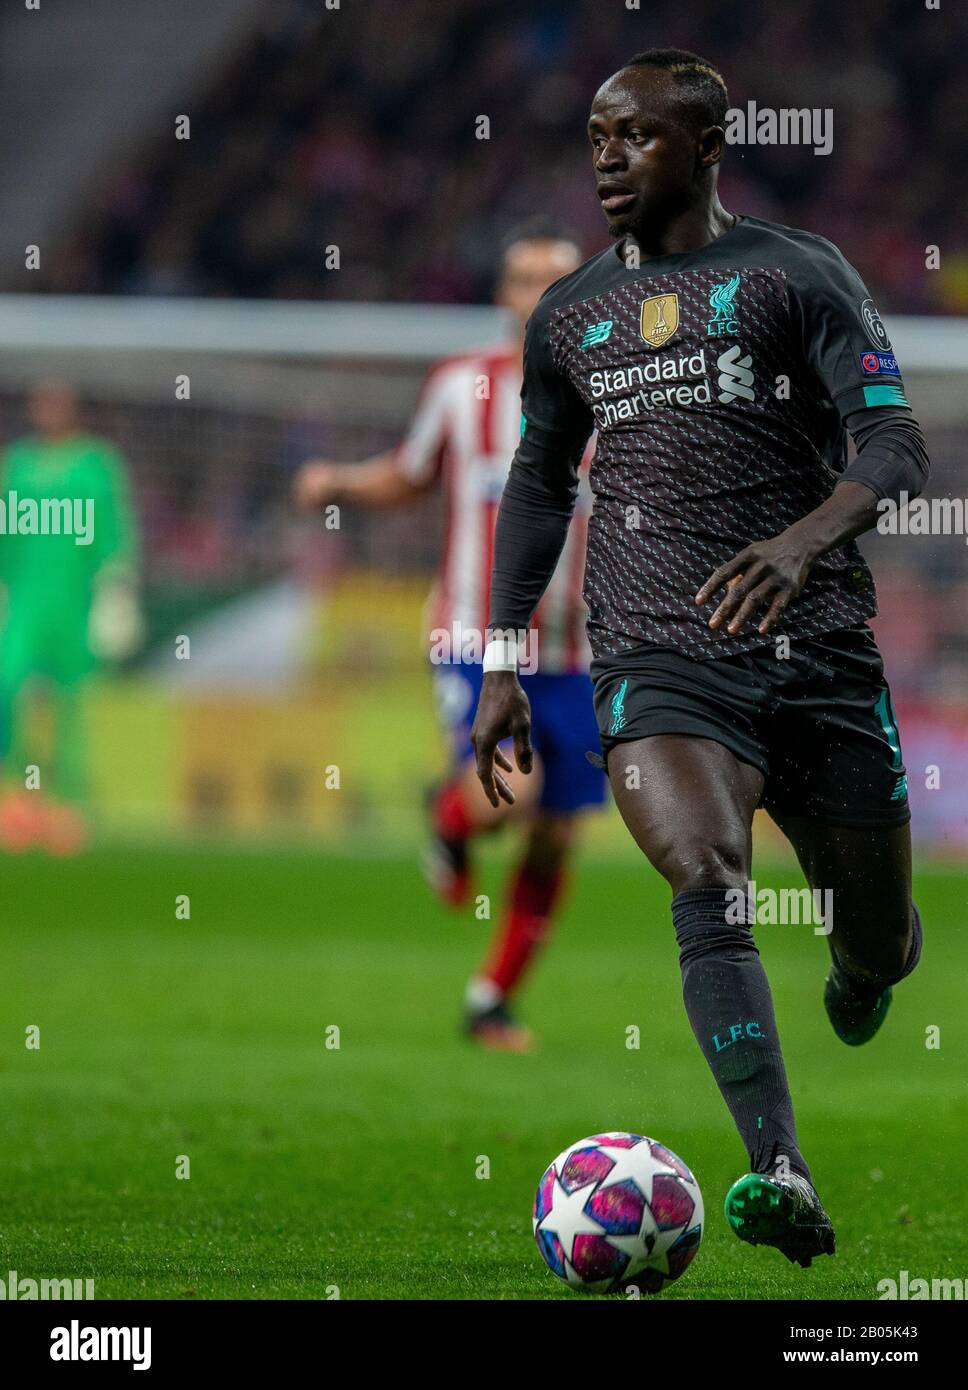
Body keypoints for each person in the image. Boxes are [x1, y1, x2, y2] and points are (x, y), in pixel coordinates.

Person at [471, 50, 929, 1266]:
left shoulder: (795, 274)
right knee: (705, 877)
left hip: (818, 648)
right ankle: (776, 1161)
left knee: (876, 941)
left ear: (706, 145)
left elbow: (891, 446)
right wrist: (501, 655)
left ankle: (866, 964)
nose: (609, 160)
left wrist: (797, 541)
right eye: (595, 139)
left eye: (636, 137)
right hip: (656, 653)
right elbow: (533, 484)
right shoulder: (568, 314)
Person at [294, 225, 606, 1051]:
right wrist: (338, 482)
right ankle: (447, 813)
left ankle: (491, 998)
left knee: (555, 832)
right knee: (513, 790)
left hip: (579, 652)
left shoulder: (622, 398)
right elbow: (410, 473)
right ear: (502, 295)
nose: (539, 290)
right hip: (479, 636)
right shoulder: (461, 386)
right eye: (523, 276)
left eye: (556, 278)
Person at [0, 381, 141, 852]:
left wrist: (116, 587)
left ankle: (67, 807)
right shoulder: (18, 463)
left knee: (71, 704)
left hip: (75, 602)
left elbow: (114, 530)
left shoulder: (96, 464)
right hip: (23, 599)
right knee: (7, 687)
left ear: (73, 407)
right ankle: (18, 800)